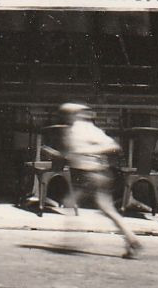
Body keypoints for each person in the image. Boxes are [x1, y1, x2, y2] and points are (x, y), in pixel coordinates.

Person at [58, 102, 144, 259]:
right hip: (92, 173)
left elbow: (113, 146)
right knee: (106, 209)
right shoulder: (76, 130)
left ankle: (72, 240)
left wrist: (87, 151)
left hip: (92, 174)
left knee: (72, 203)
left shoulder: (85, 129)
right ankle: (131, 238)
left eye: (68, 113)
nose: (66, 116)